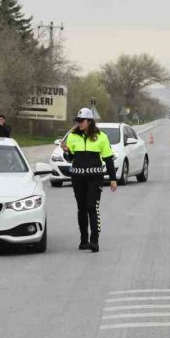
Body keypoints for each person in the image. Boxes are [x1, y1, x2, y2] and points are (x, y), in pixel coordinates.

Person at [61, 108, 118, 253]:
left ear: (90, 121)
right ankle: (83, 240)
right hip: (78, 178)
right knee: (81, 208)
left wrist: (112, 178)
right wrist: (66, 151)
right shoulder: (73, 136)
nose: (79, 123)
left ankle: (94, 241)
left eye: (82, 121)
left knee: (92, 207)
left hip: (95, 178)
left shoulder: (101, 137)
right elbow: (70, 158)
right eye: (78, 121)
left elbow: (108, 158)